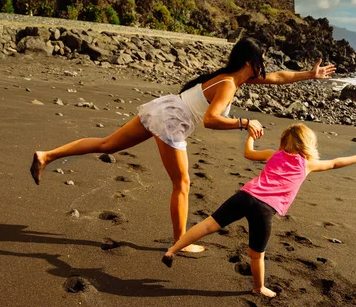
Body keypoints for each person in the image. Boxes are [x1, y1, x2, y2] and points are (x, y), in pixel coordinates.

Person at [30, 37, 336, 252]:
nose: (265, 66)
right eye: (262, 61)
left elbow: (279, 77)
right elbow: (211, 120)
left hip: (164, 107)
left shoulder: (232, 78)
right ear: (250, 62)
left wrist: (310, 74)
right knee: (183, 183)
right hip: (171, 121)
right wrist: (245, 122)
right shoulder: (229, 84)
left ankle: (47, 155)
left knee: (107, 144)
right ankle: (180, 242)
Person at [161, 123, 356, 297]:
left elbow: (248, 153)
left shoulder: (273, 155)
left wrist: (251, 136)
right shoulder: (308, 164)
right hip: (264, 208)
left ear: (284, 142)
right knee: (256, 254)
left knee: (208, 224)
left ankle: (172, 250)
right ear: (309, 145)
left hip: (244, 196)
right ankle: (258, 287)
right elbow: (335, 163)